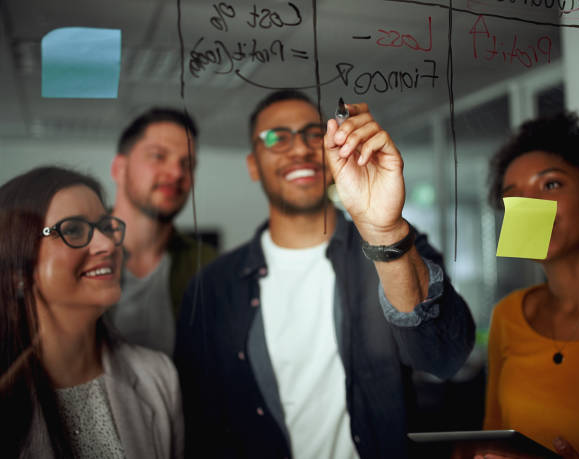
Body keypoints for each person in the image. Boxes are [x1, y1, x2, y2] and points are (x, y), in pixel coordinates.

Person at [174, 90, 475, 458]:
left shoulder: (396, 243)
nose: (299, 149)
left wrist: (383, 231)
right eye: (277, 137)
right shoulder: (213, 287)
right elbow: (199, 424)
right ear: (253, 165)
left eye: (314, 135)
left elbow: (444, 356)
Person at [0, 166, 183, 458]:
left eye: (106, 227)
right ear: (17, 266)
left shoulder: (158, 376)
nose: (108, 244)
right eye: (73, 229)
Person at [482, 113, 579, 459]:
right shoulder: (508, 315)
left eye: (550, 185)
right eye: (514, 196)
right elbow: (492, 435)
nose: (529, 207)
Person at [108, 108, 216, 356]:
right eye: (158, 156)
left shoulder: (207, 266)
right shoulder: (74, 252)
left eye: (187, 164)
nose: (177, 173)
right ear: (119, 169)